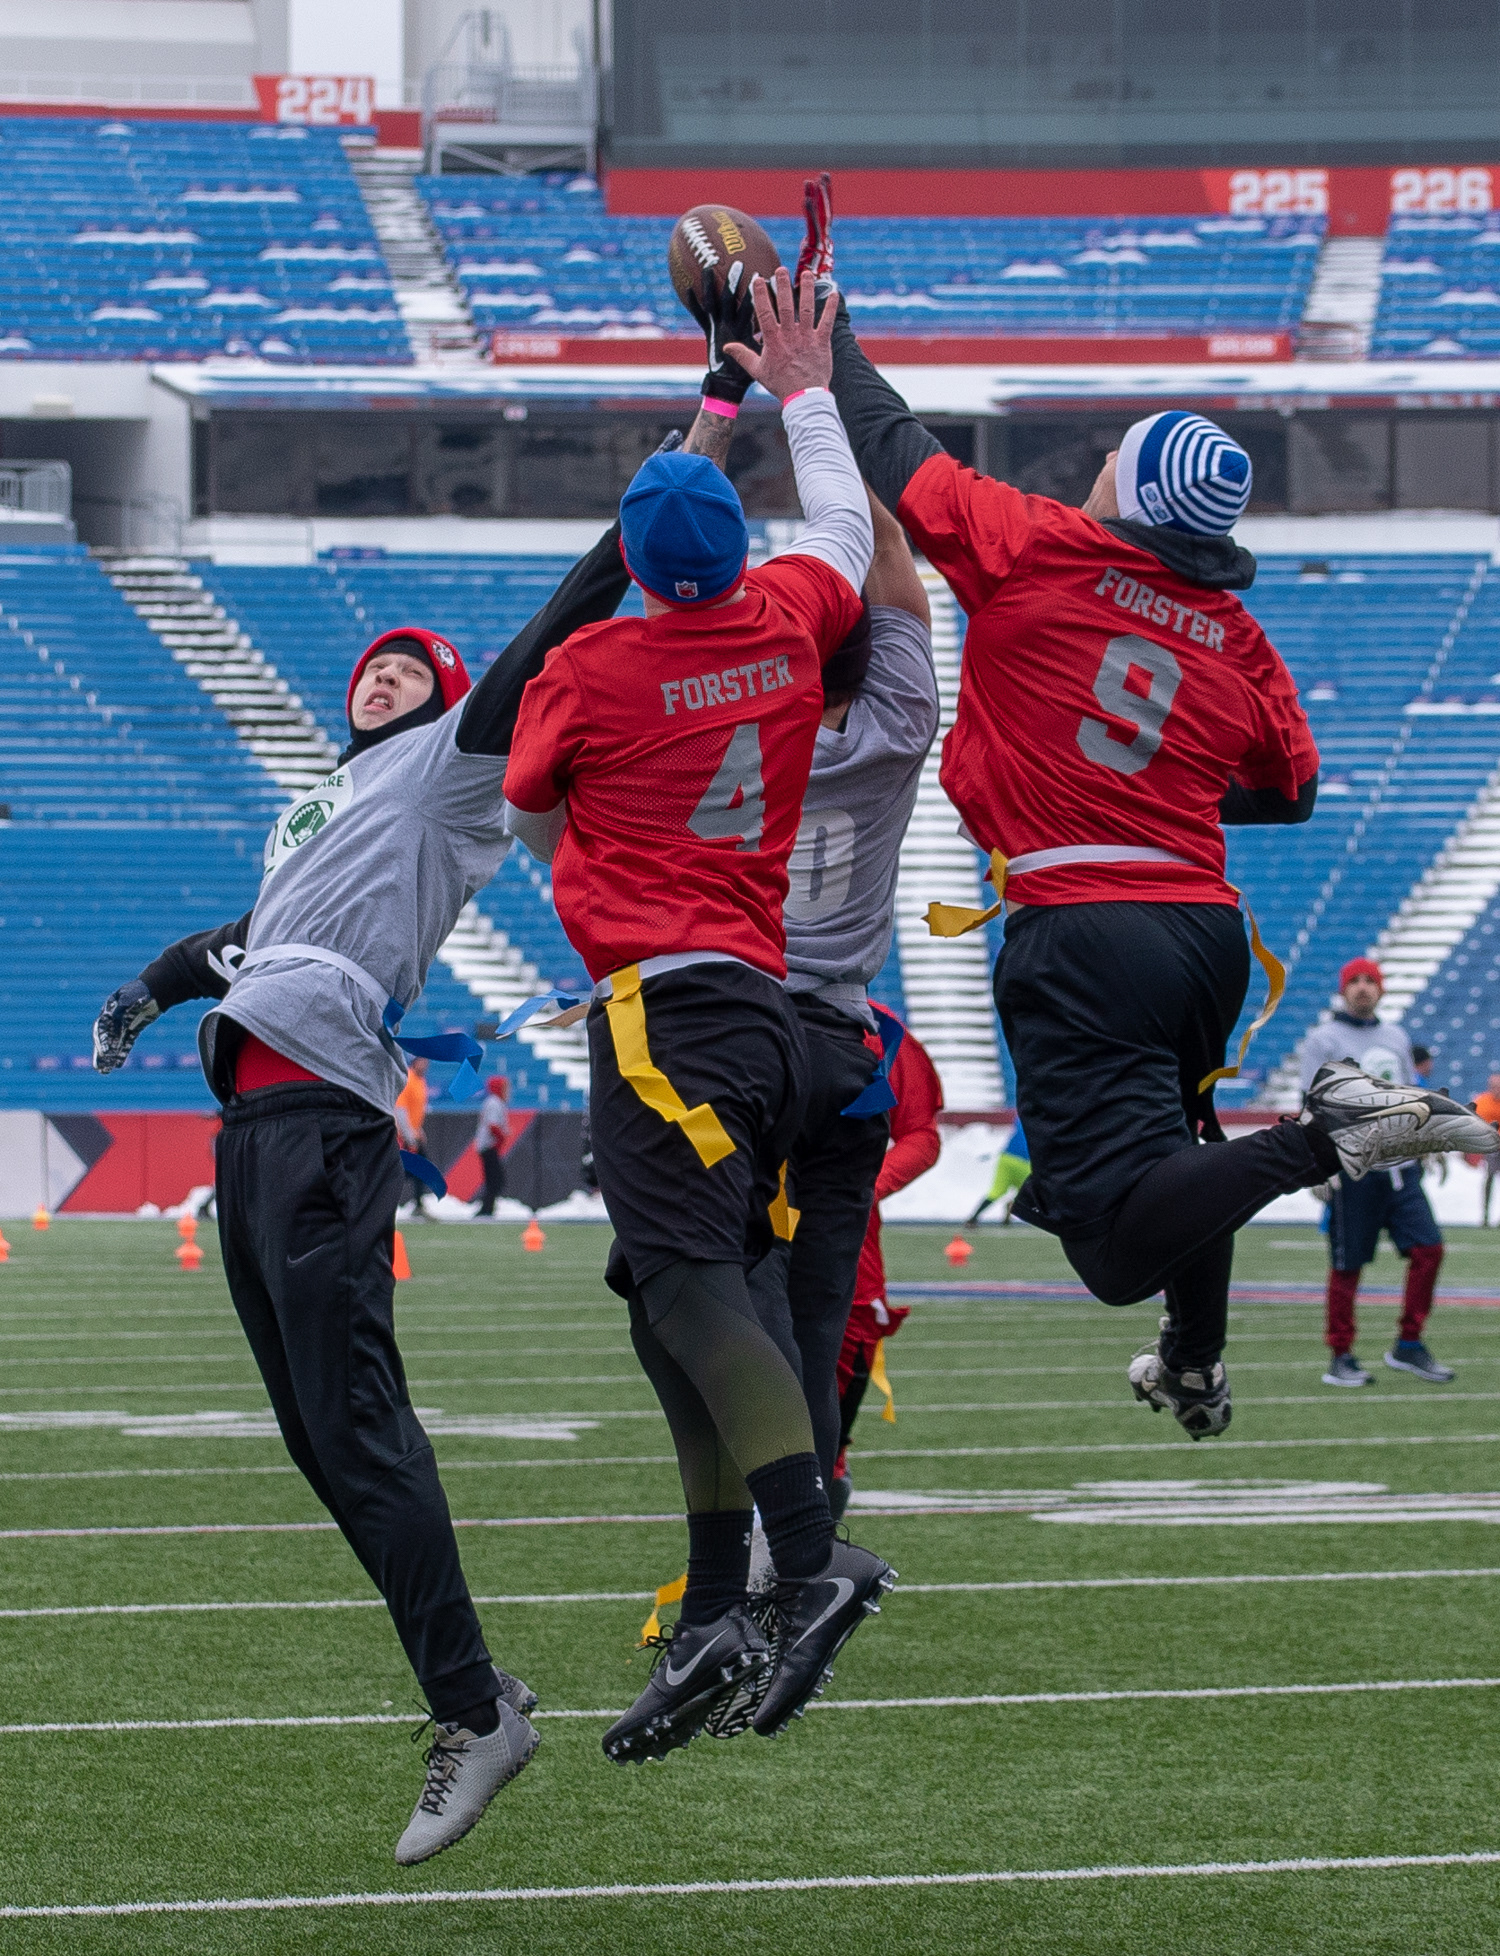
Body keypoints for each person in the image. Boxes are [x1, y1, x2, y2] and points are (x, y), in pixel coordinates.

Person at [821, 277, 1500, 1438]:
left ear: (1128, 488)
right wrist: (1160, 789)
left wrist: (824, 334)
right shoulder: (1239, 632)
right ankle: (1194, 1362)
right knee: (1185, 1156)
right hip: (1200, 930)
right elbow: (1290, 795)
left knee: (1110, 1247)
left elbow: (892, 445)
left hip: (1085, 918)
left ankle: (1328, 1132)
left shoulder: (1039, 548)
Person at [90, 511, 660, 1864]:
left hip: (323, 1122)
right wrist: (152, 989)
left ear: (452, 702)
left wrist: (687, 449)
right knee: (318, 1437)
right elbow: (248, 939)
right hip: (257, 1123)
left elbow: (561, 619)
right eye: (375, 666)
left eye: (414, 668)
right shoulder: (319, 809)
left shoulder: (446, 763)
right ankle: (476, 1685)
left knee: (355, 1420)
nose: (384, 675)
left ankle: (474, 1710)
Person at [503, 266, 895, 1763]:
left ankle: (808, 1565)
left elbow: (536, 812)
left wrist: (595, 886)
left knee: (681, 1292)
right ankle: (727, 1593)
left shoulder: (593, 664)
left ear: (638, 564)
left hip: (668, 1011)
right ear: (734, 553)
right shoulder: (791, 612)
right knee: (666, 1298)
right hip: (773, 1011)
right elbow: (846, 530)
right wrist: (799, 387)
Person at [1301, 958, 1457, 1386]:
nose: (1364, 988)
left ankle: (1409, 1344)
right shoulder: (1323, 1039)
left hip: (1401, 1169)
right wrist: (1320, 1167)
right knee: (1348, 1265)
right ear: (1343, 989)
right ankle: (1341, 1353)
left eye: (1371, 980)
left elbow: (1412, 1094)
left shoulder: (1395, 1036)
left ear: (1382, 989)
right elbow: (1313, 1106)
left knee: (1429, 1250)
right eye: (1355, 981)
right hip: (1354, 1168)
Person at [831, 1018, 943, 1517]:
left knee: (849, 1341)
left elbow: (920, 1132)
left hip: (845, 1234)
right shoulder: (740, 1001)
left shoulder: (878, 1028)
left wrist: (864, 1186)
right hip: (748, 1216)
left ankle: (828, 1475)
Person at [969, 1117, 1032, 1226]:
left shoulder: (1024, 1115)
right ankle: (1012, 1206)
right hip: (1025, 1162)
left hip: (1007, 1157)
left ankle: (973, 1219)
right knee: (1028, 1194)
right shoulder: (1044, 1120)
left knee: (996, 1191)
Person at [396, 1056, 432, 1211]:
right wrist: (408, 1135)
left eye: (427, 1062)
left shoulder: (420, 1081)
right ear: (415, 1062)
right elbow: (401, 1109)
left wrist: (419, 1130)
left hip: (414, 1133)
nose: (425, 1065)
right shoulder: (408, 1079)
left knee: (419, 1169)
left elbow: (415, 1110)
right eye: (422, 1061)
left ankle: (418, 1203)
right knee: (404, 1171)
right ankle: (416, 1204)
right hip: (404, 1136)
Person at [473, 1073, 510, 1216]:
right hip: (489, 1146)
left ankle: (488, 1207)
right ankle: (487, 1208)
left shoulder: (494, 1102)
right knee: (495, 1179)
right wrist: (501, 1138)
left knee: (493, 1179)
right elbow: (493, 1125)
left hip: (488, 1146)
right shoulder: (494, 1102)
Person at [1472, 1070, 1500, 1225]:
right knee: (1489, 1178)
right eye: (1494, 1086)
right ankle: (1485, 1215)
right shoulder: (1482, 1101)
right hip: (1491, 1146)